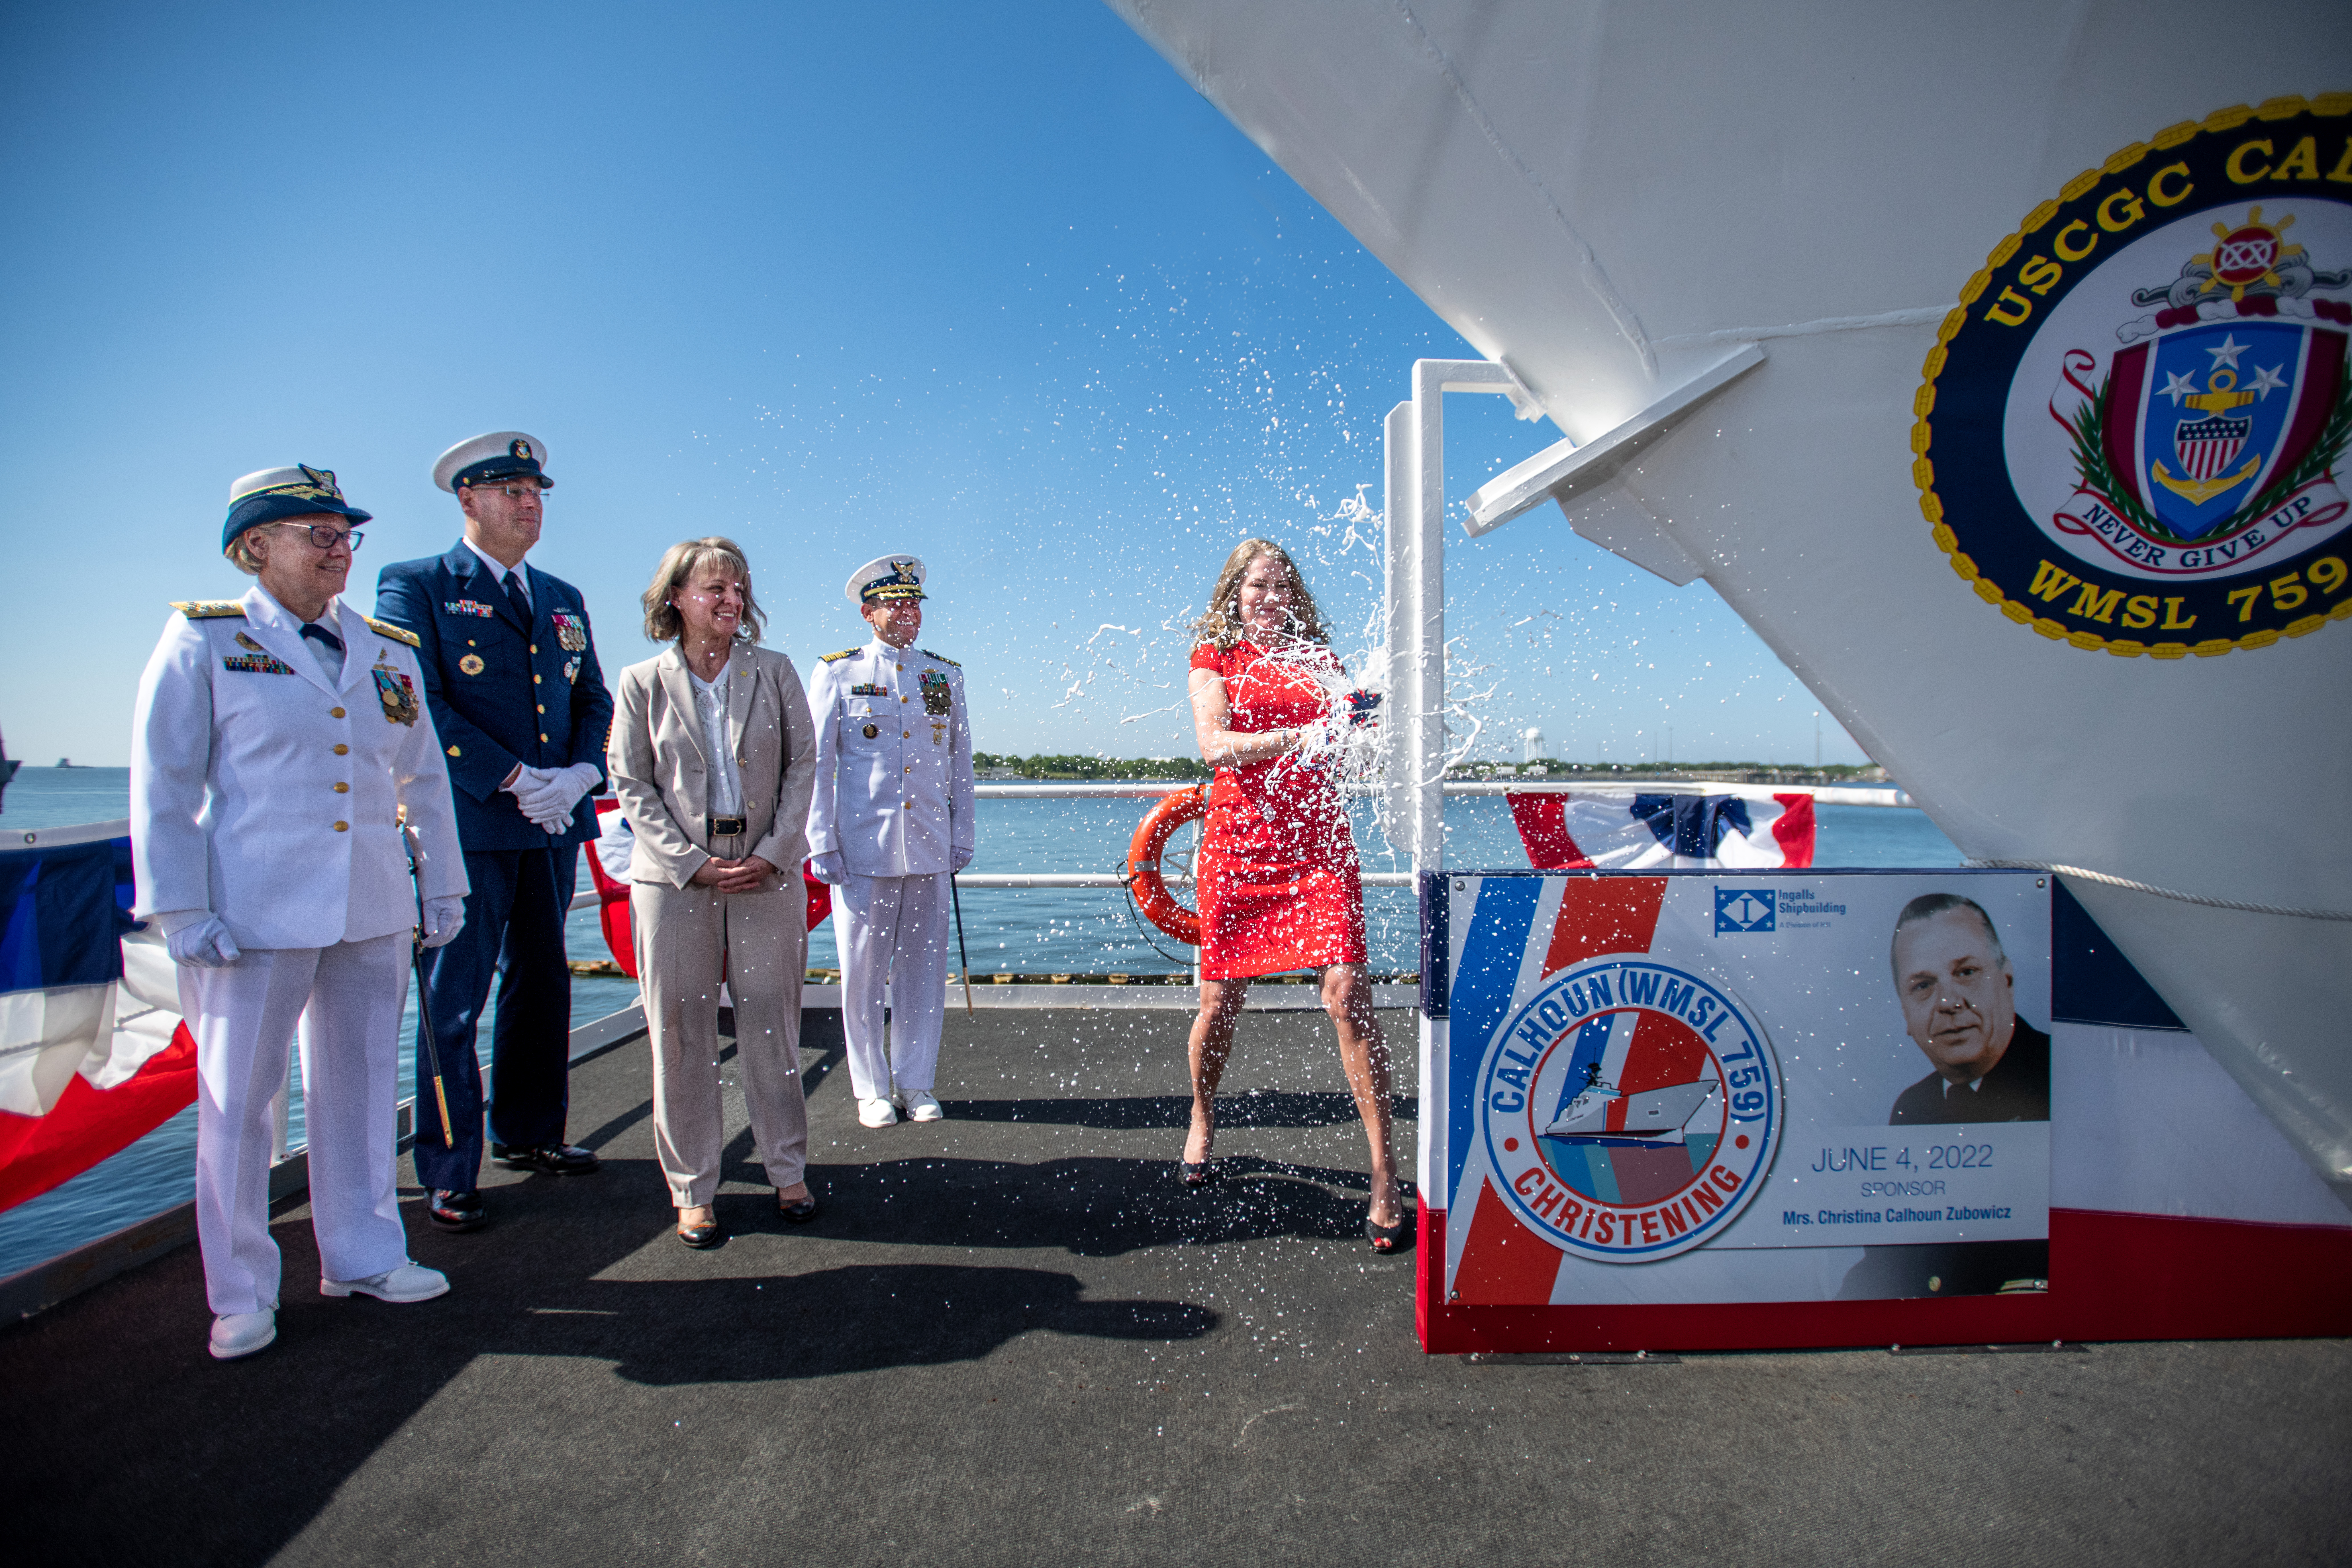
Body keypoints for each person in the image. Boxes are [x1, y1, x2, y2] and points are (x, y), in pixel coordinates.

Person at [132, 465, 469, 1359]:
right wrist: (180, 909)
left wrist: (442, 886)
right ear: (254, 546)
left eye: (343, 533)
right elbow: (164, 786)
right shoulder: (206, 639)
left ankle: (361, 1252)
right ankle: (239, 1289)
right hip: (249, 914)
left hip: (369, 902)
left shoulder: (387, 650)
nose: (337, 547)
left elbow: (423, 778)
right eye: (314, 531)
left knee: (361, 1091)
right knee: (240, 1105)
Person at [373, 432, 614, 1232]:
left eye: (536, 490)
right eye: (510, 490)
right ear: (466, 501)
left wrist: (580, 776)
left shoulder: (562, 597)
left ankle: (532, 1134)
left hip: (553, 827)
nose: (528, 503)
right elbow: (415, 701)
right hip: (469, 826)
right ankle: (447, 1166)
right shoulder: (415, 586)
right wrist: (513, 779)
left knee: (544, 985)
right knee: (453, 1002)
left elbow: (592, 700)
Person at [1181, 539, 1402, 1250]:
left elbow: (1356, 745)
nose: (1270, 598)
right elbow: (1216, 746)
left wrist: (1370, 724)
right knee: (1220, 1002)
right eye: (1256, 587)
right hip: (1240, 847)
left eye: (1281, 586)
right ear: (1233, 595)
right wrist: (1306, 732)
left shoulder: (1323, 663)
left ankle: (1383, 1174)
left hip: (1318, 848)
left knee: (1348, 995)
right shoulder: (1213, 659)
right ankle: (1203, 1116)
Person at [607, 539, 819, 1246]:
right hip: (674, 883)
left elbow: (803, 768)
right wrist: (687, 860)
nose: (729, 601)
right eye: (713, 589)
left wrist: (770, 853)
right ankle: (692, 1188)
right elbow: (632, 783)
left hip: (765, 877)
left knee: (771, 1025)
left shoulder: (777, 671)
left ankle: (787, 1169)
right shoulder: (640, 681)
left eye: (737, 589)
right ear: (675, 598)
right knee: (680, 1032)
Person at [804, 555, 975, 1129]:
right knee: (862, 973)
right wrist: (820, 841)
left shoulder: (943, 676)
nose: (909, 613)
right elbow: (818, 764)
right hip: (863, 848)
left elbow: (961, 766)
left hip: (927, 844)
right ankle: (871, 1089)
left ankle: (917, 1082)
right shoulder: (838, 672)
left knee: (923, 973)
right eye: (896, 603)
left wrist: (962, 833)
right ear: (867, 611)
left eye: (915, 603)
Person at [1886, 892, 2050, 1124]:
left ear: (2007, 980)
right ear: (1906, 1013)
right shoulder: (1912, 1109)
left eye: (1966, 973)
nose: (1948, 1003)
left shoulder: (2063, 1075)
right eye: (1923, 985)